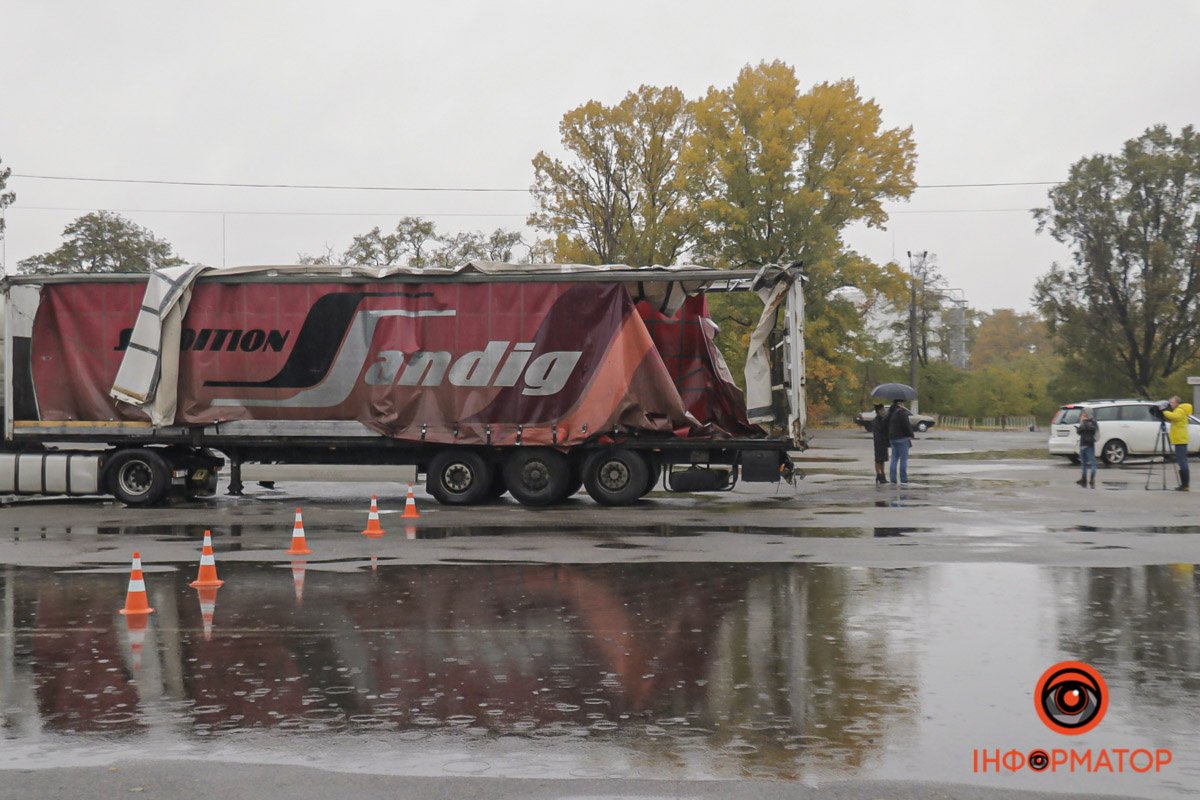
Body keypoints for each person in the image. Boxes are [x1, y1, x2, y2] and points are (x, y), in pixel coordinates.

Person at [1161, 395, 1193, 491]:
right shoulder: (1180, 410)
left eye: (1172, 402)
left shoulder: (1179, 410)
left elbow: (1174, 417)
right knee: (1181, 461)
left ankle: (1185, 485)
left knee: (1182, 462)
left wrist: (1163, 411)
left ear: (1177, 403)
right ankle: (1184, 484)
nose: (1170, 404)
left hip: (1180, 439)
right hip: (1180, 439)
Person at [887, 398, 915, 484]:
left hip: (892, 438)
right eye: (903, 403)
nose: (903, 405)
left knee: (894, 459)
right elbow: (906, 425)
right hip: (902, 438)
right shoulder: (902, 412)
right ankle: (903, 479)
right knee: (903, 459)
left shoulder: (890, 412)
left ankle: (893, 479)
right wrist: (911, 434)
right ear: (900, 403)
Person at [1075, 408, 1098, 488]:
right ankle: (1087, 479)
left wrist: (1082, 423)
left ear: (1087, 413)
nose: (1083, 413)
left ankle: (1088, 479)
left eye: (1084, 412)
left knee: (1088, 463)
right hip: (1086, 445)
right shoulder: (1092, 422)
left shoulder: (1087, 422)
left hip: (1086, 445)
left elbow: (1079, 432)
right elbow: (1079, 432)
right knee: (1088, 463)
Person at [870, 402, 890, 484]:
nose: (884, 411)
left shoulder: (883, 419)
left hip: (883, 441)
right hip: (878, 442)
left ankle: (882, 475)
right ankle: (878, 475)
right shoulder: (876, 420)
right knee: (878, 459)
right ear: (879, 411)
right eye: (883, 410)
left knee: (883, 459)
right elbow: (880, 431)